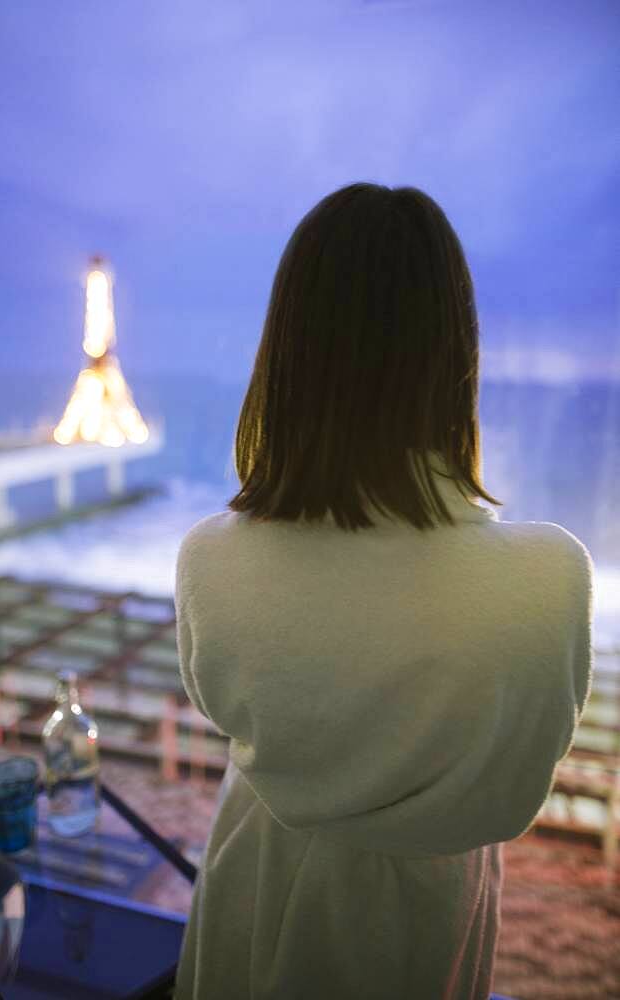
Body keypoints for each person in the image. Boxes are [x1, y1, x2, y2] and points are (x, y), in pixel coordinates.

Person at [172, 183, 594, 999]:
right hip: (429, 912)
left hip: (255, 878)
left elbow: (237, 712)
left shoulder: (209, 560)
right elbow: (517, 776)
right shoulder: (548, 576)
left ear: (285, 349)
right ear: (453, 353)